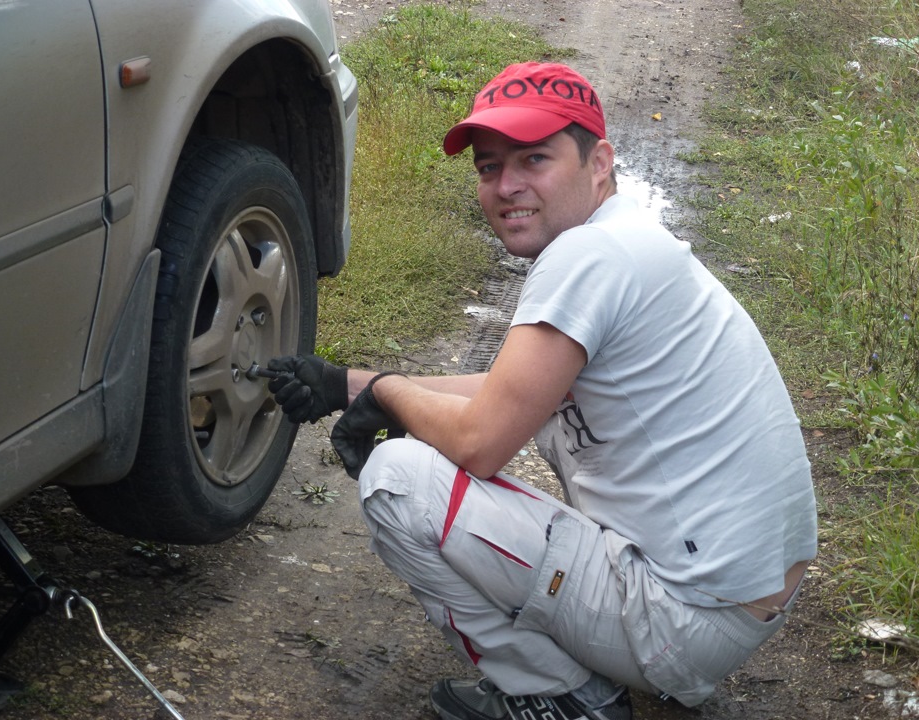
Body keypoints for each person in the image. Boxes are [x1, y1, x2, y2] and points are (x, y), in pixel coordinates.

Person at [267, 61, 817, 720]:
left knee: (396, 479)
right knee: (478, 433)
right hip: (735, 607)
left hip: (684, 622)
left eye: (535, 159)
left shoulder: (588, 256)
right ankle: (605, 670)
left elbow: (481, 443)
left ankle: (566, 697)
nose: (507, 185)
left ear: (600, 161)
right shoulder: (628, 240)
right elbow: (514, 392)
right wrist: (346, 384)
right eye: (489, 167)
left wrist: (387, 393)